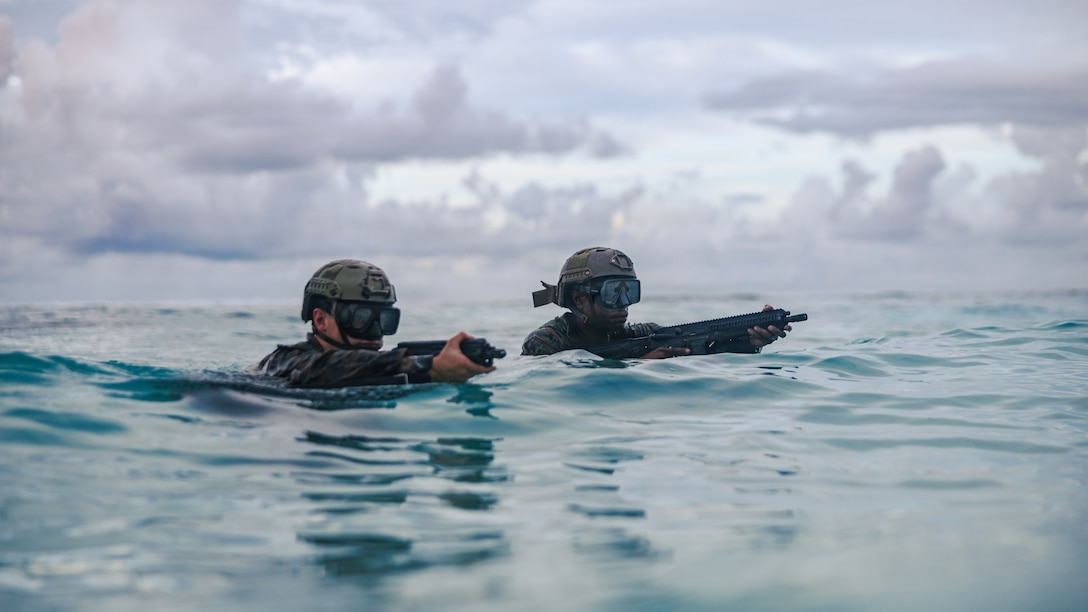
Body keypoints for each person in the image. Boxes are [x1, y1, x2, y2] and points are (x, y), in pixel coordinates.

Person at [258, 259, 494, 387]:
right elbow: (328, 367)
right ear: (321, 320)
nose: (375, 332)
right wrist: (429, 366)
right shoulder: (285, 361)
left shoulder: (372, 367)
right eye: (360, 318)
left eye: (384, 320)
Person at [521, 247, 791, 358]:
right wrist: (638, 367)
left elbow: (706, 352)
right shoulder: (546, 342)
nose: (623, 304)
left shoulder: (643, 335)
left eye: (630, 293)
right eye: (613, 293)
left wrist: (750, 342)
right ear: (580, 299)